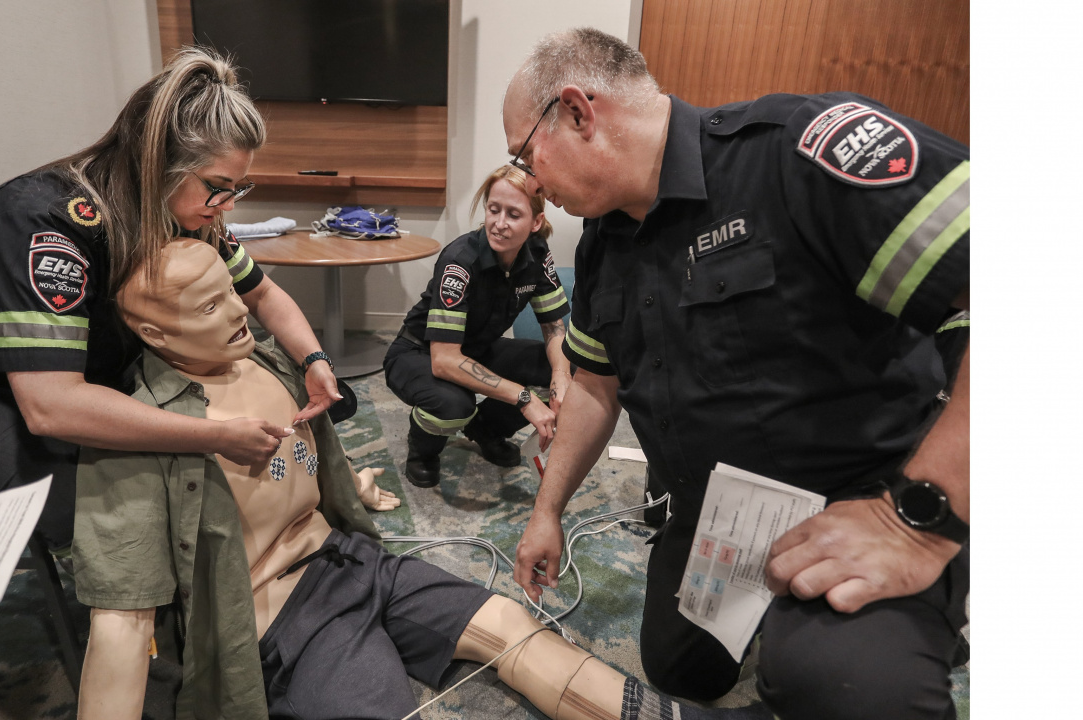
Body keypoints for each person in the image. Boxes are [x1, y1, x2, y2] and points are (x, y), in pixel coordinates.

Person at [74, 238, 769, 720]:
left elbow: (304, 465)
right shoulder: (137, 438)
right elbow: (120, 625)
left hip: (353, 560)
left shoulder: (270, 363)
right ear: (152, 332)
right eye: (204, 308)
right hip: (280, 620)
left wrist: (356, 489)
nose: (236, 312)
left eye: (231, 293)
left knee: (512, 626)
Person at [502, 28, 969, 720]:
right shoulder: (603, 245)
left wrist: (918, 520)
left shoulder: (799, 152)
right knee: (677, 667)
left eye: (524, 154)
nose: (528, 181)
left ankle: (913, 615)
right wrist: (548, 512)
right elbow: (597, 388)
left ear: (577, 112)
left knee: (838, 684)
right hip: (723, 514)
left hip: (863, 498)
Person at [0, 48, 340, 551]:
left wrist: (314, 360)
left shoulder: (182, 209)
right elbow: (51, 407)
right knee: (118, 507)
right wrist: (212, 435)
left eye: (236, 189)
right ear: (158, 162)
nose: (225, 205)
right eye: (218, 188)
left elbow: (263, 293)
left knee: (262, 407)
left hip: (75, 376)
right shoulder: (40, 222)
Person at [383, 166, 572, 488]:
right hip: (420, 352)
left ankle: (485, 430)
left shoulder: (538, 254)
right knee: (454, 405)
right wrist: (524, 398)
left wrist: (561, 378)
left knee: (566, 365)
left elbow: (553, 328)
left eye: (513, 214)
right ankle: (423, 448)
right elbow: (444, 360)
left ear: (536, 222)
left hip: (477, 348)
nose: (499, 224)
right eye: (493, 209)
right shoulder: (460, 261)